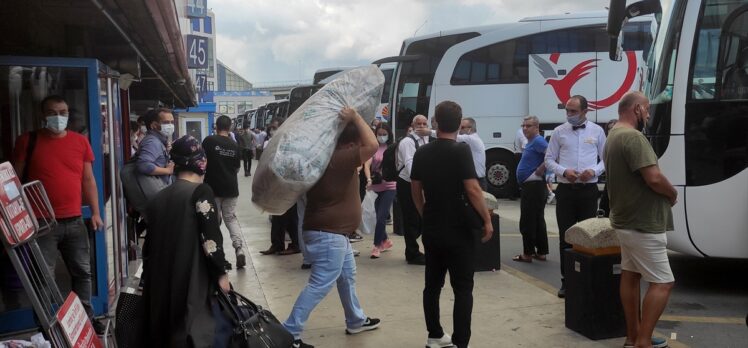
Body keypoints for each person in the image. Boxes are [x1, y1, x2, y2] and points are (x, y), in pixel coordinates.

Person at [283, 107, 381, 348]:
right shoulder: (339, 158)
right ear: (350, 143)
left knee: (347, 276)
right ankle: (289, 331)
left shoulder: (322, 155)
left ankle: (356, 319)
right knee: (320, 283)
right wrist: (356, 117)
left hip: (332, 233)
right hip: (328, 235)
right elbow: (373, 146)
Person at [12, 95, 105, 333]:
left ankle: (85, 318)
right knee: (43, 278)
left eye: (63, 112)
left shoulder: (80, 142)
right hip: (41, 223)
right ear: (43, 115)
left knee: (83, 273)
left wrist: (95, 212)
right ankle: (47, 326)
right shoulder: (28, 141)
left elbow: (88, 179)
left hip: (75, 220)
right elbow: (13, 180)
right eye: (53, 112)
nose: (58, 117)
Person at [411, 100, 493, 348]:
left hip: (433, 225)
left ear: (435, 122)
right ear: (459, 124)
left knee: (432, 285)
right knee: (463, 288)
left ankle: (434, 334)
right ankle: (460, 342)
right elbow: (473, 189)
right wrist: (487, 220)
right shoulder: (460, 151)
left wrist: (425, 212)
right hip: (459, 228)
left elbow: (416, 189)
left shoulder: (422, 152)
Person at [141, 135, 232, 347]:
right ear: (201, 161)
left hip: (160, 281)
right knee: (194, 330)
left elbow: (149, 245)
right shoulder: (201, 192)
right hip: (192, 277)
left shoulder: (158, 198)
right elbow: (211, 241)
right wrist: (221, 273)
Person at [604, 91, 677, 348]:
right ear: (636, 109)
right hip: (643, 223)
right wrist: (673, 193)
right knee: (663, 283)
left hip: (625, 220)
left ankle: (632, 336)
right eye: (646, 110)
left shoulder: (613, 135)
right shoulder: (633, 138)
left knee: (631, 274)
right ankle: (644, 341)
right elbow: (654, 178)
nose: (648, 114)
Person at [544, 95, 606, 298]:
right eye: (567, 111)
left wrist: (594, 171)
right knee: (566, 237)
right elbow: (549, 159)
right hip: (566, 191)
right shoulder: (559, 132)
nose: (569, 115)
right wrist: (563, 172)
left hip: (588, 191)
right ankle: (567, 281)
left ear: (585, 111)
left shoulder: (597, 131)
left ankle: (587, 279)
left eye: (573, 111)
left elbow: (606, 159)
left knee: (587, 236)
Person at [202, 115, 246, 269]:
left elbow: (202, 161)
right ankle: (239, 248)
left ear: (216, 126)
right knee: (231, 219)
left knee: (214, 222)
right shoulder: (234, 145)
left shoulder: (209, 141)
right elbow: (237, 168)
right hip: (231, 188)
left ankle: (218, 255)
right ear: (230, 127)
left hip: (212, 189)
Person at [396, 114, 431, 265]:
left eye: (424, 123)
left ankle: (418, 248)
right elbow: (410, 165)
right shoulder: (407, 142)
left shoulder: (426, 139)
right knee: (411, 219)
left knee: (421, 218)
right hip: (407, 183)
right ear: (412, 125)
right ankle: (412, 253)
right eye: (419, 123)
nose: (422, 126)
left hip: (420, 183)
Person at [513, 116, 549, 263]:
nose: (525, 128)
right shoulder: (531, 142)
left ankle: (527, 253)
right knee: (537, 219)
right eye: (523, 125)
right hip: (533, 186)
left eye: (528, 126)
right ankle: (541, 252)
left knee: (528, 221)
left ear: (536, 127)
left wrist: (540, 169)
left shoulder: (538, 140)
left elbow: (551, 155)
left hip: (533, 186)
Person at [364, 123, 397, 258]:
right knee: (379, 216)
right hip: (376, 186)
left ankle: (377, 246)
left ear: (389, 134)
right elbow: (366, 165)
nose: (382, 137)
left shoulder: (393, 148)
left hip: (390, 186)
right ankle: (385, 240)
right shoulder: (372, 147)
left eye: (384, 134)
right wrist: (369, 180)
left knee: (382, 216)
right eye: (379, 134)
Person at [137, 108, 175, 188]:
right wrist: (168, 170)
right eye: (166, 122)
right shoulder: (152, 142)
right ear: (154, 125)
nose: (170, 125)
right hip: (157, 192)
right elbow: (143, 165)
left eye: (172, 122)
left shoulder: (158, 141)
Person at [457, 117, 487, 190]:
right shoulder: (474, 139)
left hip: (477, 181)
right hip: (478, 180)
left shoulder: (472, 139)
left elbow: (451, 136)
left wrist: (429, 132)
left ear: (470, 129)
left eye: (462, 127)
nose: (459, 129)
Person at [598, 119, 618, 217]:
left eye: (614, 127)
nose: (612, 130)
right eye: (610, 128)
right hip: (610, 181)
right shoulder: (605, 144)